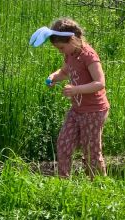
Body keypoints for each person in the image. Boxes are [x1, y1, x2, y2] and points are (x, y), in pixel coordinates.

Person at [36, 17, 110, 179]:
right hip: (77, 110)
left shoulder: (88, 55)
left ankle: (99, 184)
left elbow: (100, 83)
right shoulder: (70, 55)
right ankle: (63, 182)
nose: (60, 51)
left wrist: (76, 89)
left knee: (91, 152)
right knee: (64, 144)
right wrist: (54, 76)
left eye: (62, 48)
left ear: (73, 39)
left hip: (94, 110)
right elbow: (64, 72)